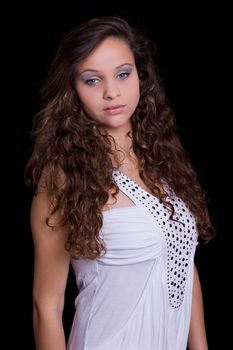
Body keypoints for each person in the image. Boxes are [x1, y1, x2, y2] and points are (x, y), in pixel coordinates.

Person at [25, 16, 215, 350]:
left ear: (141, 77)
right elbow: (47, 307)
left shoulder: (160, 158)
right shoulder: (64, 176)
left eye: (123, 74)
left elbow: (181, 260)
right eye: (92, 80)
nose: (112, 92)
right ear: (73, 89)